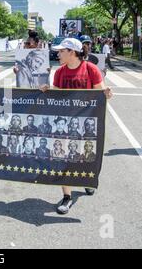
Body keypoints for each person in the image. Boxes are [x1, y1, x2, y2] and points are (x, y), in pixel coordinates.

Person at [41, 37, 112, 214]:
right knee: (64, 157)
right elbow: (57, 94)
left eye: (61, 51)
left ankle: (87, 180)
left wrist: (107, 93)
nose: (58, 54)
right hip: (64, 123)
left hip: (86, 123)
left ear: (72, 52)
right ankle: (67, 196)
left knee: (85, 156)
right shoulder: (59, 72)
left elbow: (101, 92)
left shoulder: (91, 69)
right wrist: (47, 89)